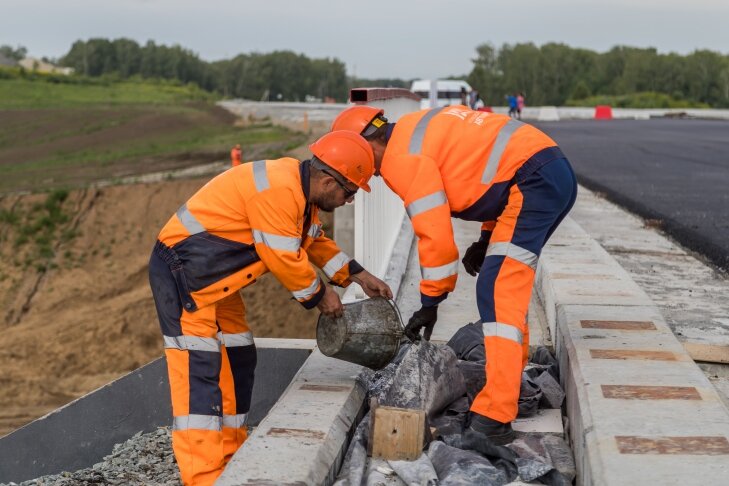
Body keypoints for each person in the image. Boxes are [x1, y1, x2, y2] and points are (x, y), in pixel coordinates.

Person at [149, 130, 392, 485]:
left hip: (213, 278)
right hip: (185, 275)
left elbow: (312, 241)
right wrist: (320, 296)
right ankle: (202, 476)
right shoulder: (280, 191)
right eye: (350, 192)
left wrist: (357, 275)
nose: (349, 200)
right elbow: (281, 254)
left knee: (238, 356)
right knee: (199, 370)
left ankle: (230, 453)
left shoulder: (302, 194)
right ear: (328, 180)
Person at [331, 105, 577, 447]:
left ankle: (496, 414)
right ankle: (508, 386)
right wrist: (486, 238)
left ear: (366, 144)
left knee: (496, 288)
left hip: (534, 181)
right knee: (506, 284)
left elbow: (436, 237)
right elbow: (488, 165)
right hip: (548, 171)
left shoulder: (401, 160)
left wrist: (430, 301)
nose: (366, 175)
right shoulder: (413, 128)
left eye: (358, 162)